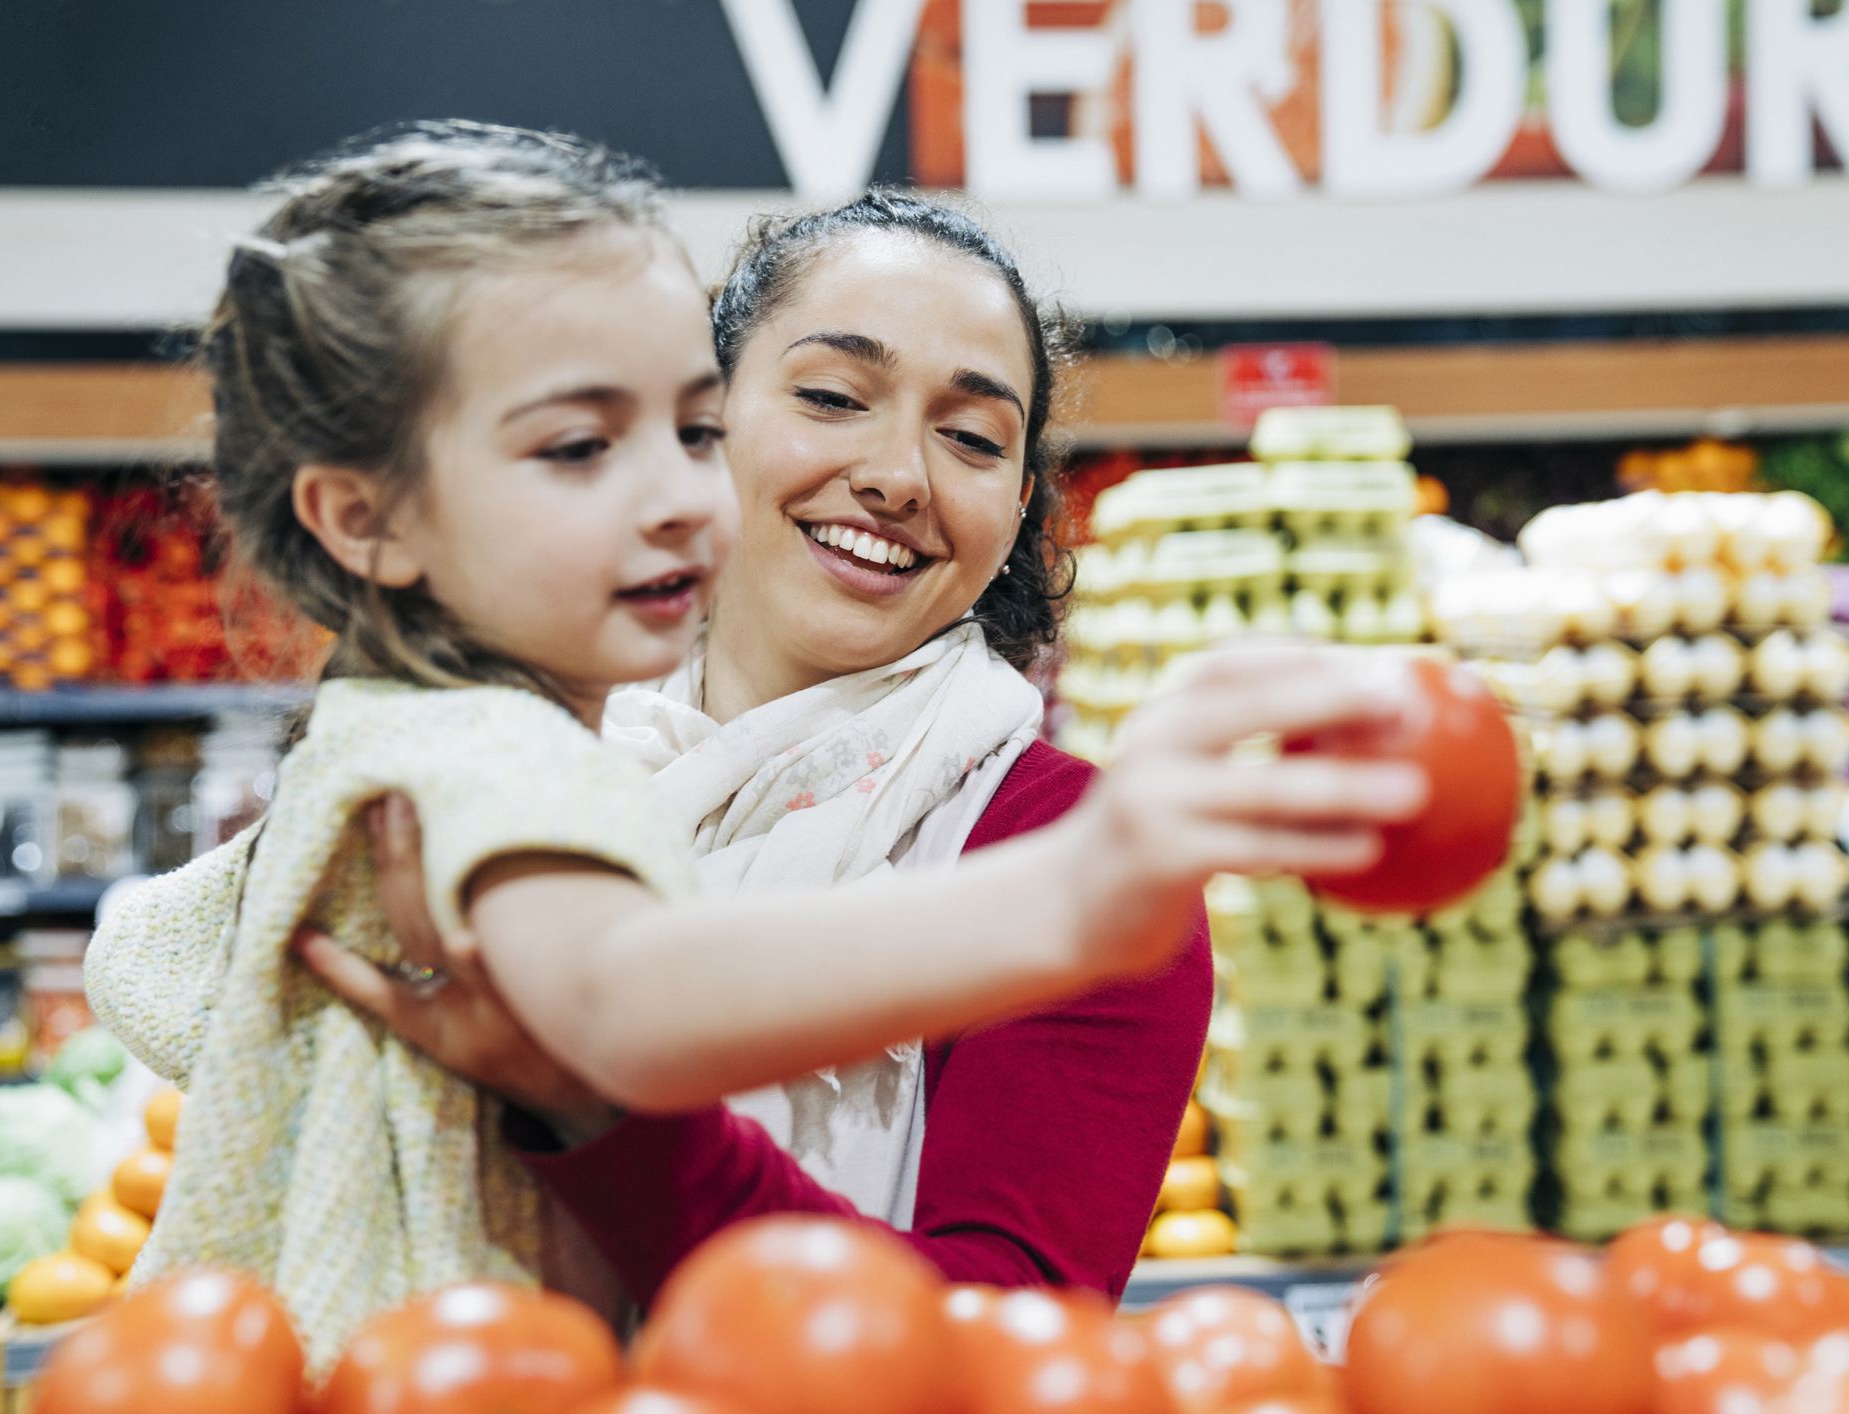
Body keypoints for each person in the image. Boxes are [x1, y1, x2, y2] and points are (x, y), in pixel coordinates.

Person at [277, 188, 1430, 1310]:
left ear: (1019, 502)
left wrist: (603, 1116)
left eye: (972, 436)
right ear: (701, 419)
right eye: (834, 395)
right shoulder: (514, 763)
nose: (897, 475)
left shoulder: (1066, 850)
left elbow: (1004, 1341)